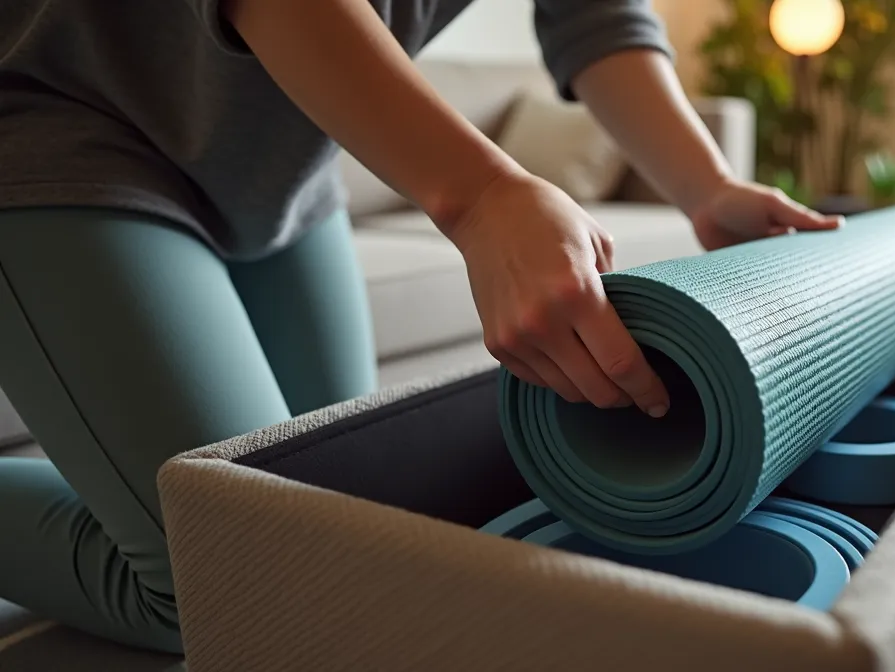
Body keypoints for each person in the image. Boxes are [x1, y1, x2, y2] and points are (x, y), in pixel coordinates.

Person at [0, 0, 840, 653]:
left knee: (342, 519)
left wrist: (706, 188)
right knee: (229, 582)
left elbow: (596, 15)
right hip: (68, 126)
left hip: (283, 162)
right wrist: (481, 198)